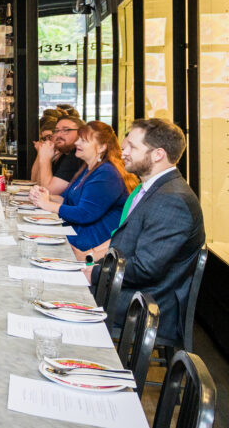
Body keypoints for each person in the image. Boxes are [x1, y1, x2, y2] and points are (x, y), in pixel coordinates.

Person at [89, 119, 204, 344]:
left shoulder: (172, 200)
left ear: (158, 154)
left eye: (133, 147)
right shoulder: (156, 189)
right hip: (134, 293)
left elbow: (145, 269)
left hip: (145, 306)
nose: (124, 151)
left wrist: (93, 274)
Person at [29, 121, 137, 260]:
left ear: (102, 147)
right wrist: (46, 196)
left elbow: (84, 213)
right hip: (75, 234)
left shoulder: (107, 173)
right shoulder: (89, 168)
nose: (77, 143)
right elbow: (68, 201)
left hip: (88, 245)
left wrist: (48, 204)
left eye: (83, 140)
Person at [35, 115, 85, 194]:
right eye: (57, 130)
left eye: (66, 130)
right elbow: (38, 184)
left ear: (81, 133)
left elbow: (48, 192)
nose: (58, 135)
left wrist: (45, 159)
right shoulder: (64, 154)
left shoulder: (76, 156)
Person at [30, 116, 58, 184]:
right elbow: (34, 180)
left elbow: (44, 186)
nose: (47, 141)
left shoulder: (63, 156)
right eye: (44, 139)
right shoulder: (50, 153)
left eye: (49, 137)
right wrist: (40, 153)